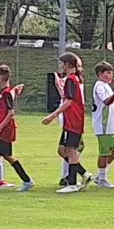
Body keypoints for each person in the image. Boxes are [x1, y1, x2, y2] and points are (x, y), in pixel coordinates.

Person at [0, 65, 34, 192]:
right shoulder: (5, 93)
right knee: (7, 156)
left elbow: (11, 113)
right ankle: (27, 180)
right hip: (5, 129)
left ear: (1, 78)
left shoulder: (6, 94)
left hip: (4, 130)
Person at [43, 51, 88, 192]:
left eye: (62, 63)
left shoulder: (71, 80)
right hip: (73, 120)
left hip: (73, 120)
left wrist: (52, 115)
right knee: (64, 150)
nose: (60, 66)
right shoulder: (74, 79)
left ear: (67, 64)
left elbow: (69, 102)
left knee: (71, 150)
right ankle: (84, 174)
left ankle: (73, 183)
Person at [89, 62, 114, 188]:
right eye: (107, 73)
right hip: (103, 125)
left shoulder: (106, 86)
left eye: (111, 72)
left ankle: (100, 175)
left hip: (110, 125)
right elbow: (107, 102)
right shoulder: (99, 86)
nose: (111, 75)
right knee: (104, 152)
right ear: (100, 74)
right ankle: (102, 179)